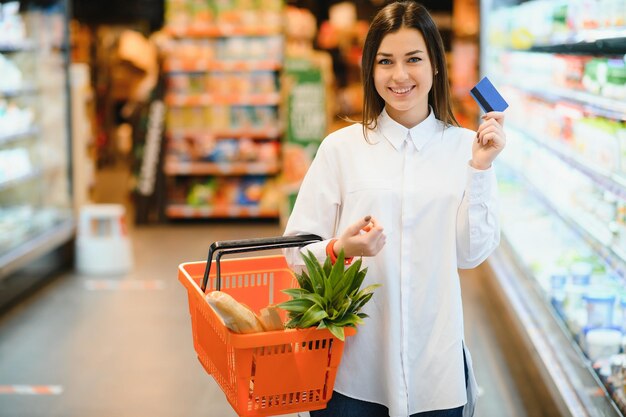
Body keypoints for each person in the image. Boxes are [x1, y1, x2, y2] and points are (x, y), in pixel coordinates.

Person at [283, 1, 506, 416]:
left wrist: (480, 169)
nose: (400, 75)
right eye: (385, 61)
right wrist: (341, 249)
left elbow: (471, 254)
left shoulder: (464, 149)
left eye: (413, 59)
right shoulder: (341, 149)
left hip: (434, 371)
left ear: (436, 65)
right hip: (353, 370)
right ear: (370, 68)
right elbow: (296, 250)